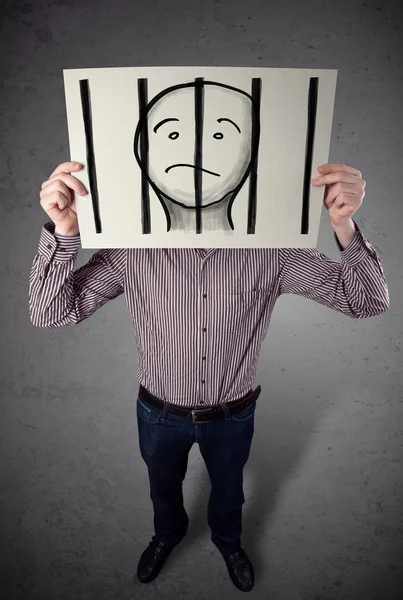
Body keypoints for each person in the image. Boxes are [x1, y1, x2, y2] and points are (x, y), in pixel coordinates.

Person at [29, 160, 389, 593]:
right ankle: (166, 536)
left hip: (233, 416)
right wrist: (65, 230)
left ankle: (228, 541)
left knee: (229, 490)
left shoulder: (273, 251)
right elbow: (50, 312)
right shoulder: (133, 250)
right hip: (158, 415)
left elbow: (365, 300)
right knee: (162, 489)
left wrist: (344, 224)